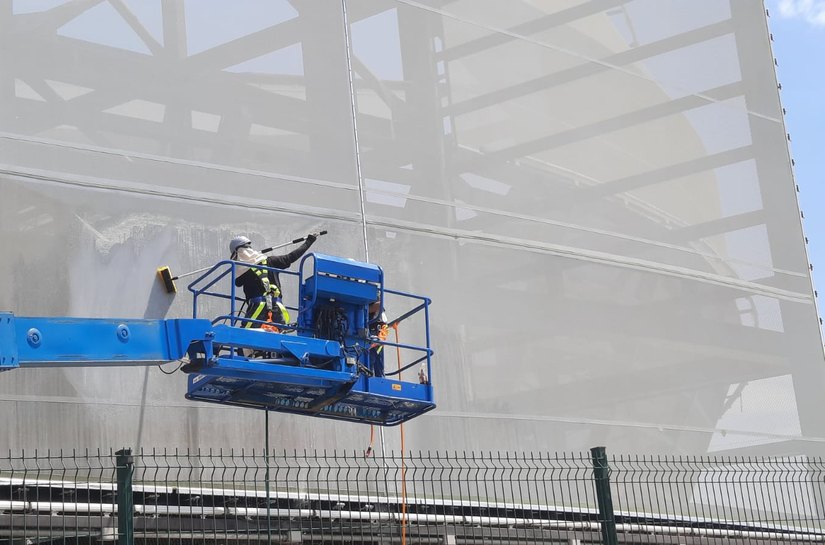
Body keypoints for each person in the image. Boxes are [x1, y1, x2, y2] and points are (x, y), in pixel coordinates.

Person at [230, 233, 317, 329]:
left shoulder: (243, 271)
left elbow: (237, 282)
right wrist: (309, 241)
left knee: (245, 336)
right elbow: (291, 257)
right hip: (277, 308)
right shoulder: (271, 261)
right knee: (279, 336)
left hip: (256, 309)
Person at [368, 300, 389, 377]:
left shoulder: (379, 312)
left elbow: (379, 304)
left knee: (377, 365)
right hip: (371, 338)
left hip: (376, 338)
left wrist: (364, 308)